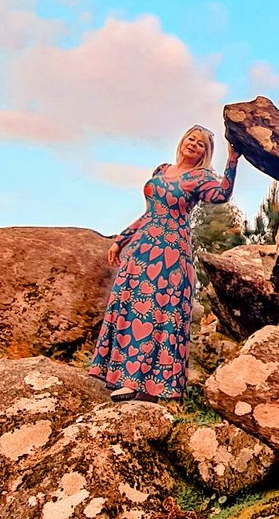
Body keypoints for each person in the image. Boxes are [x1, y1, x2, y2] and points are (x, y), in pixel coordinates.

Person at [89, 125, 240, 403]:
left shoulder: (200, 177)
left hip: (171, 254)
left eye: (201, 144)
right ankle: (120, 375)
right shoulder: (161, 170)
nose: (194, 145)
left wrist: (232, 161)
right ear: (183, 141)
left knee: (156, 312)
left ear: (206, 153)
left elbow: (221, 195)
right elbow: (149, 214)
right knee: (131, 305)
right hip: (144, 248)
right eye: (191, 139)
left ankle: (141, 383)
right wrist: (120, 240)